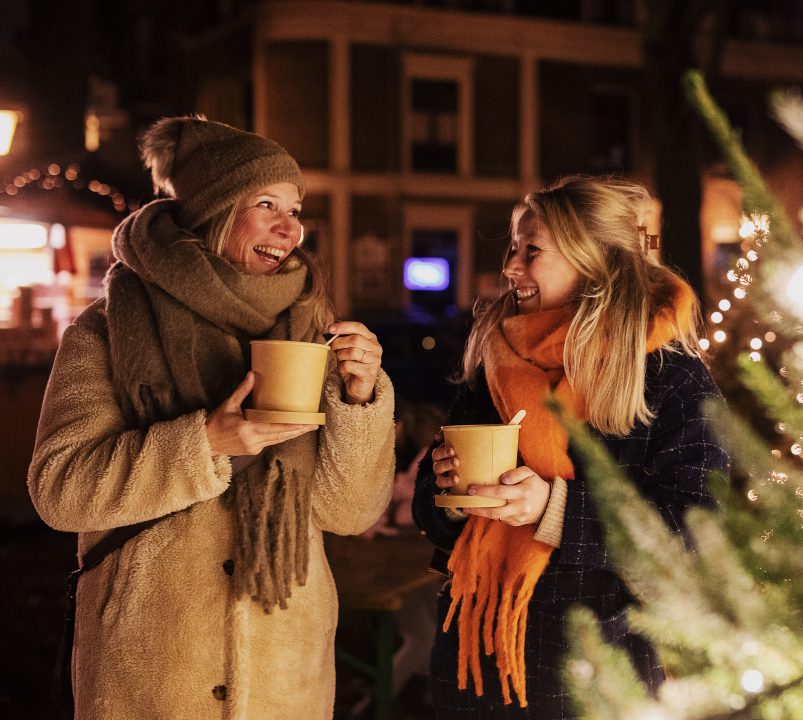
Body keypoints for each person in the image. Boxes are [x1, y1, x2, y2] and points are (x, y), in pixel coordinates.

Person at [28, 116, 396, 720]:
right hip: (150, 677)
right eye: (267, 204)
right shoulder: (109, 329)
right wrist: (203, 444)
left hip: (288, 681)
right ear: (214, 210)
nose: (290, 228)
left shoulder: (310, 328)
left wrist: (359, 400)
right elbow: (59, 490)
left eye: (296, 209)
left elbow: (349, 512)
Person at [412, 175, 729, 718]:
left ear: (595, 261)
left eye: (531, 251)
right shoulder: (497, 357)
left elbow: (695, 531)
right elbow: (433, 516)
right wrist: (446, 490)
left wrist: (554, 509)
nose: (511, 266)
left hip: (597, 676)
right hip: (472, 667)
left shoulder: (667, 375)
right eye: (513, 248)